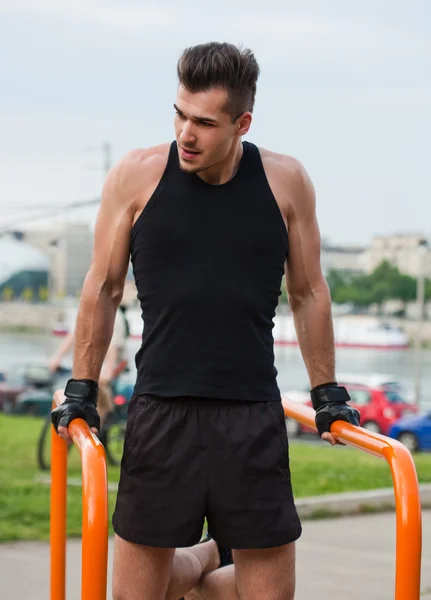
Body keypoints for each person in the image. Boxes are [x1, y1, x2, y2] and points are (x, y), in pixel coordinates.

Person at [52, 42, 360, 600]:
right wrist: (81, 385)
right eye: (179, 114)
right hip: (161, 410)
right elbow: (103, 285)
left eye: (204, 122)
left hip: (251, 415)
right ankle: (199, 559)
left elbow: (310, 291)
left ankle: (202, 563)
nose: (185, 134)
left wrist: (327, 392)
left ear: (242, 122)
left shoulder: (286, 182)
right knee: (137, 595)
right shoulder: (137, 176)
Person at [49, 306, 128, 426]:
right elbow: (73, 335)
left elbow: (113, 347)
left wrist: (109, 372)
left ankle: (97, 428)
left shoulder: (115, 316)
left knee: (100, 392)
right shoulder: (85, 312)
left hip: (111, 364)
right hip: (93, 361)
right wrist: (57, 357)